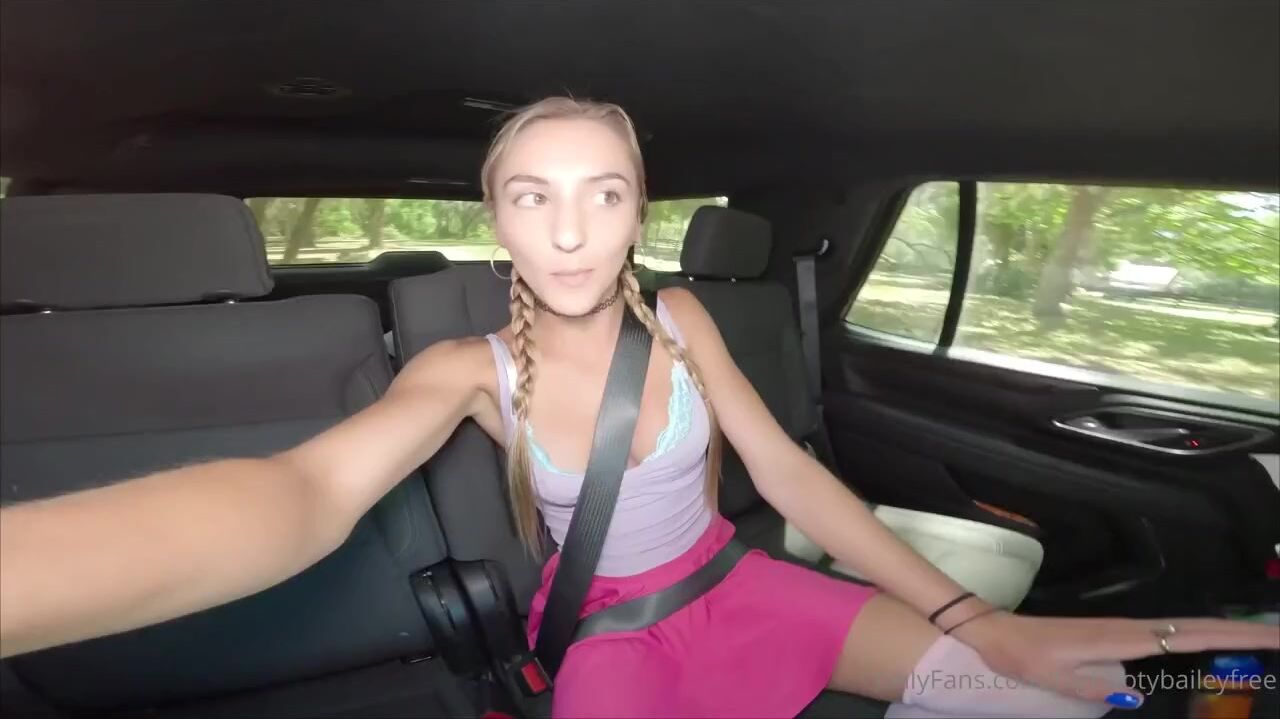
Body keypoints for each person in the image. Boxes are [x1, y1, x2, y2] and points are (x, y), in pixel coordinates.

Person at [0, 96, 1275, 718]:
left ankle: (1242, 659)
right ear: (496, 219)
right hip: (616, 639)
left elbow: (789, 477)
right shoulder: (466, 368)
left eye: (602, 194)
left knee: (1049, 684)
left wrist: (973, 617)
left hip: (749, 584)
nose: (569, 231)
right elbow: (301, 492)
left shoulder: (681, 320)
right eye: (533, 197)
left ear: (636, 212)